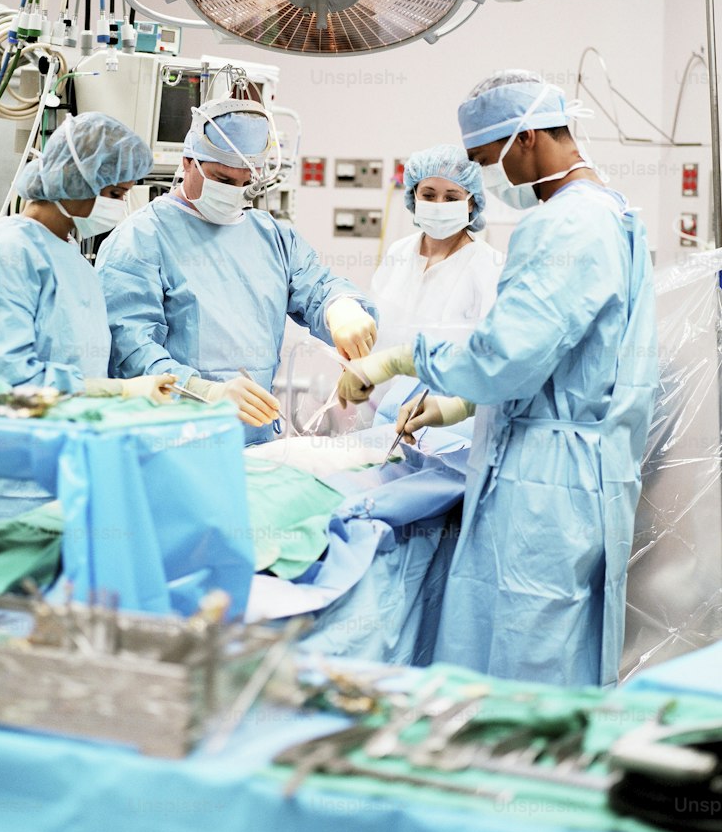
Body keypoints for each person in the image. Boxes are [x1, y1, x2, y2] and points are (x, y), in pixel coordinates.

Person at [337, 70, 658, 687]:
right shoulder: (614, 213)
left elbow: (504, 357)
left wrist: (404, 360)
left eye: (490, 160)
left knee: (525, 651)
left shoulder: (564, 224)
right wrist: (458, 406)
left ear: (528, 137)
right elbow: (561, 350)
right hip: (584, 464)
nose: (495, 179)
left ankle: (513, 780)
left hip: (547, 481)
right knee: (559, 641)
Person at [0, 112, 176, 525]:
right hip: (7, 493)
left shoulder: (72, 258)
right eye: (115, 193)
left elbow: (78, 367)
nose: (118, 207)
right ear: (75, 181)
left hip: (66, 481)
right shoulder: (11, 253)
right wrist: (116, 394)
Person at [96, 97, 379, 443]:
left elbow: (318, 285)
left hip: (254, 441)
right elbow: (131, 353)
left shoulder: (270, 235)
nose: (234, 192)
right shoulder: (140, 240)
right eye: (222, 179)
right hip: (171, 442)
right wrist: (203, 393)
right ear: (188, 162)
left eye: (244, 182)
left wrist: (341, 308)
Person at [371, 143, 504, 352]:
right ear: (414, 196)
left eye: (451, 198)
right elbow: (374, 322)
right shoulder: (398, 252)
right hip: (383, 384)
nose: (438, 205)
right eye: (428, 195)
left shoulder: (490, 266)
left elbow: (489, 352)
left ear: (471, 202)